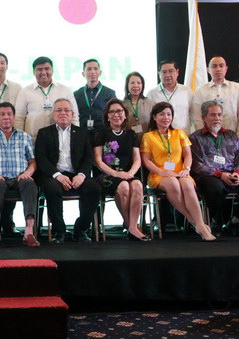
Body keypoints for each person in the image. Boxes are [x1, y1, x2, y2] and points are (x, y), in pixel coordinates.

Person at [140, 101, 215, 241]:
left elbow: (188, 155)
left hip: (181, 171)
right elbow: (146, 160)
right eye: (162, 114)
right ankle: (198, 224)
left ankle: (198, 223)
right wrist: (161, 172)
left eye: (169, 114)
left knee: (187, 184)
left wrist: (186, 169)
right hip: (159, 174)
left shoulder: (179, 133)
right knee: (173, 184)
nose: (166, 117)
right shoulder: (148, 136)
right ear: (154, 117)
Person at [189, 101, 239, 237]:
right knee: (215, 188)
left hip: (232, 174)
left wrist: (237, 173)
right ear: (204, 117)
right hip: (209, 177)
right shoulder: (195, 138)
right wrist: (220, 175)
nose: (217, 118)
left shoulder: (231, 135)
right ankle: (217, 222)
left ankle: (236, 221)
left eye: (219, 115)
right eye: (212, 115)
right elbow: (197, 165)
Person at [35, 98, 98, 243]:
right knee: (51, 188)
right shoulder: (44, 133)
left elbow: (89, 158)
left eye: (66, 110)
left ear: (72, 113)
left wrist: (81, 175)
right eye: (59, 110)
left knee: (93, 188)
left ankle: (81, 229)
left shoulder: (82, 132)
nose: (63, 113)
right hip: (53, 175)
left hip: (76, 174)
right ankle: (59, 231)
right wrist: (57, 175)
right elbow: (41, 159)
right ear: (53, 114)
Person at [0, 102, 39, 248]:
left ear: (14, 117)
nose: (6, 117)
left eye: (9, 114)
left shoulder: (25, 137)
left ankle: (29, 232)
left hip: (19, 177)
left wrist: (27, 173)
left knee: (30, 183)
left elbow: (33, 162)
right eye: (2, 114)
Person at [93, 98, 146, 241]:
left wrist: (130, 173)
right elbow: (98, 160)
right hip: (106, 174)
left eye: (119, 111)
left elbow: (137, 160)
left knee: (137, 185)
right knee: (123, 187)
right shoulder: (101, 133)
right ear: (107, 115)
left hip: (127, 173)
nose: (116, 114)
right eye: (112, 112)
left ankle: (133, 226)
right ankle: (130, 225)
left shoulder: (131, 135)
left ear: (125, 114)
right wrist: (116, 174)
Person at [14, 56, 79, 141]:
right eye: (39, 69)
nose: (43, 72)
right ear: (34, 72)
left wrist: (76, 136)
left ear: (52, 70)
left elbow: (74, 116)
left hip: (61, 139)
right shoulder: (25, 92)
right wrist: (19, 139)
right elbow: (18, 118)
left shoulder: (65, 90)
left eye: (47, 69)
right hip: (33, 139)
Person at [191, 56, 239, 136]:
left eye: (221, 66)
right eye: (214, 66)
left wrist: (238, 135)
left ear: (226, 68)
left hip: (232, 136)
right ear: (208, 70)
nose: (218, 69)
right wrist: (203, 138)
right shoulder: (200, 90)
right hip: (208, 138)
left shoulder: (237, 88)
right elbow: (197, 118)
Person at [147, 60, 193, 132]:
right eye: (164, 72)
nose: (168, 75)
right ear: (159, 73)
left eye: (171, 71)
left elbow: (193, 114)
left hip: (184, 136)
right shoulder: (152, 94)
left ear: (177, 72)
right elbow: (150, 118)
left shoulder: (187, 91)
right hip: (161, 138)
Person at [74, 58, 116, 133]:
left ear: (100, 72)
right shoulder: (76, 94)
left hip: (103, 133)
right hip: (82, 133)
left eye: (95, 69)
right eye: (89, 69)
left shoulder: (110, 93)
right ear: (83, 73)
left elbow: (114, 114)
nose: (93, 72)